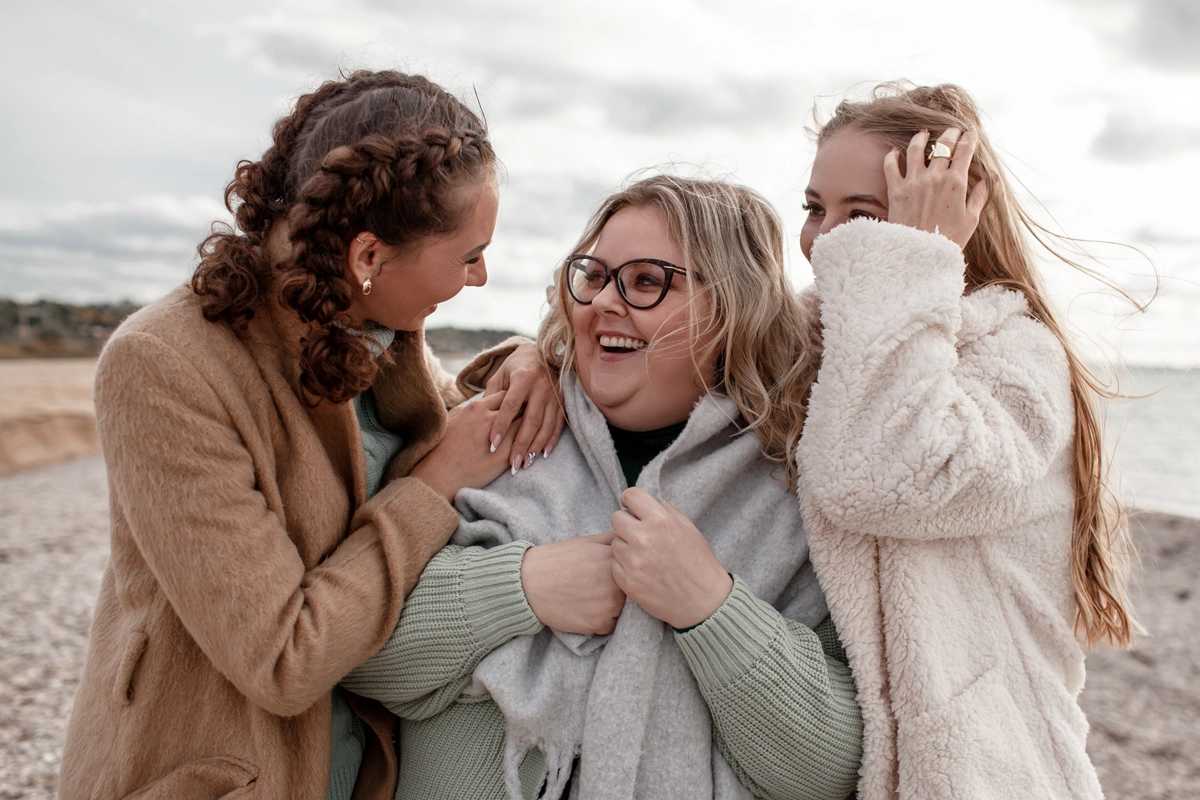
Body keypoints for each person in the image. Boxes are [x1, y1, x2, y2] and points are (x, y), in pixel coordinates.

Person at [59, 70, 562, 800]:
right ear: (368, 256)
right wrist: (434, 488)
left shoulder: (362, 317)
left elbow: (424, 422)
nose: (482, 276)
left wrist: (524, 357)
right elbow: (283, 658)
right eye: (468, 255)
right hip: (216, 772)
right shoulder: (158, 367)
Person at [342, 175, 865, 800]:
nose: (602, 304)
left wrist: (713, 611)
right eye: (592, 276)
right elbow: (356, 657)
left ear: (731, 310)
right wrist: (522, 586)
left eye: (646, 281)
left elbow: (832, 772)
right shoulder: (495, 429)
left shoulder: (802, 491)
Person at [795, 83, 1136, 799]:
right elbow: (680, 352)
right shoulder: (821, 343)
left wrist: (910, 257)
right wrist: (532, 363)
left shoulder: (1021, 364)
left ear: (954, 223)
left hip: (991, 772)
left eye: (864, 215)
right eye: (814, 208)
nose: (825, 238)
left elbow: (874, 476)